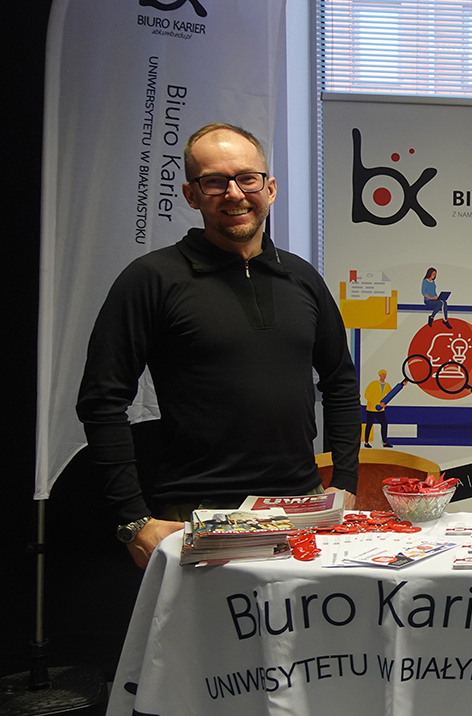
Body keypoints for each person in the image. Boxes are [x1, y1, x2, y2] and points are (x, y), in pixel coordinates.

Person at [77, 123, 360, 568]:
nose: (234, 193)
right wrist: (133, 518)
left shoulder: (303, 278)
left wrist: (344, 481)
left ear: (270, 189)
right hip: (197, 516)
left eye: (247, 178)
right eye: (214, 181)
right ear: (191, 195)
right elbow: (102, 401)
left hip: (300, 507)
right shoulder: (151, 279)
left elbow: (340, 381)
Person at [364, 369, 393, 448]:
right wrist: (378, 403)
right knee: (369, 425)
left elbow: (391, 393)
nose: (384, 376)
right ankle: (366, 442)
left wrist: (402, 385)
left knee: (384, 424)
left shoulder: (386, 385)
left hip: (380, 410)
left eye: (385, 375)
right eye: (383, 374)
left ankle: (384, 443)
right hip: (371, 409)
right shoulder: (373, 384)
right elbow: (367, 395)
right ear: (379, 375)